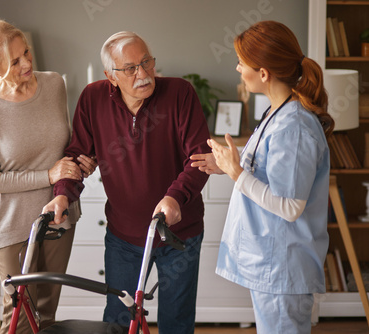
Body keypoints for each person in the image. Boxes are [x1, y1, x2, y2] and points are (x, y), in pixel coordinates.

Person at [43, 31, 211, 333]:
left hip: (179, 237)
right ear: (111, 75)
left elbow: (199, 159)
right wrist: (62, 196)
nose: (144, 73)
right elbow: (76, 158)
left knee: (177, 321)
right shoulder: (93, 99)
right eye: (131, 68)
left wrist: (174, 197)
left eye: (147, 62)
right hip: (123, 238)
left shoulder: (180, 93)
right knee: (119, 321)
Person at [191, 21, 334, 334]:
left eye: (242, 62)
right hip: (272, 264)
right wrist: (230, 164)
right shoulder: (277, 112)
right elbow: (273, 170)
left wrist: (237, 172)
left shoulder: (294, 127)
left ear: (264, 73)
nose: (238, 68)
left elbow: (290, 205)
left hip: (283, 267)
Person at [0, 19, 96, 333]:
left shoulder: (53, 84)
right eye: (15, 61)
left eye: (27, 52)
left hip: (58, 215)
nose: (27, 63)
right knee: (20, 318)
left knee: (47, 317)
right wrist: (48, 175)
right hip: (10, 225)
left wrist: (83, 163)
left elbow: (64, 147)